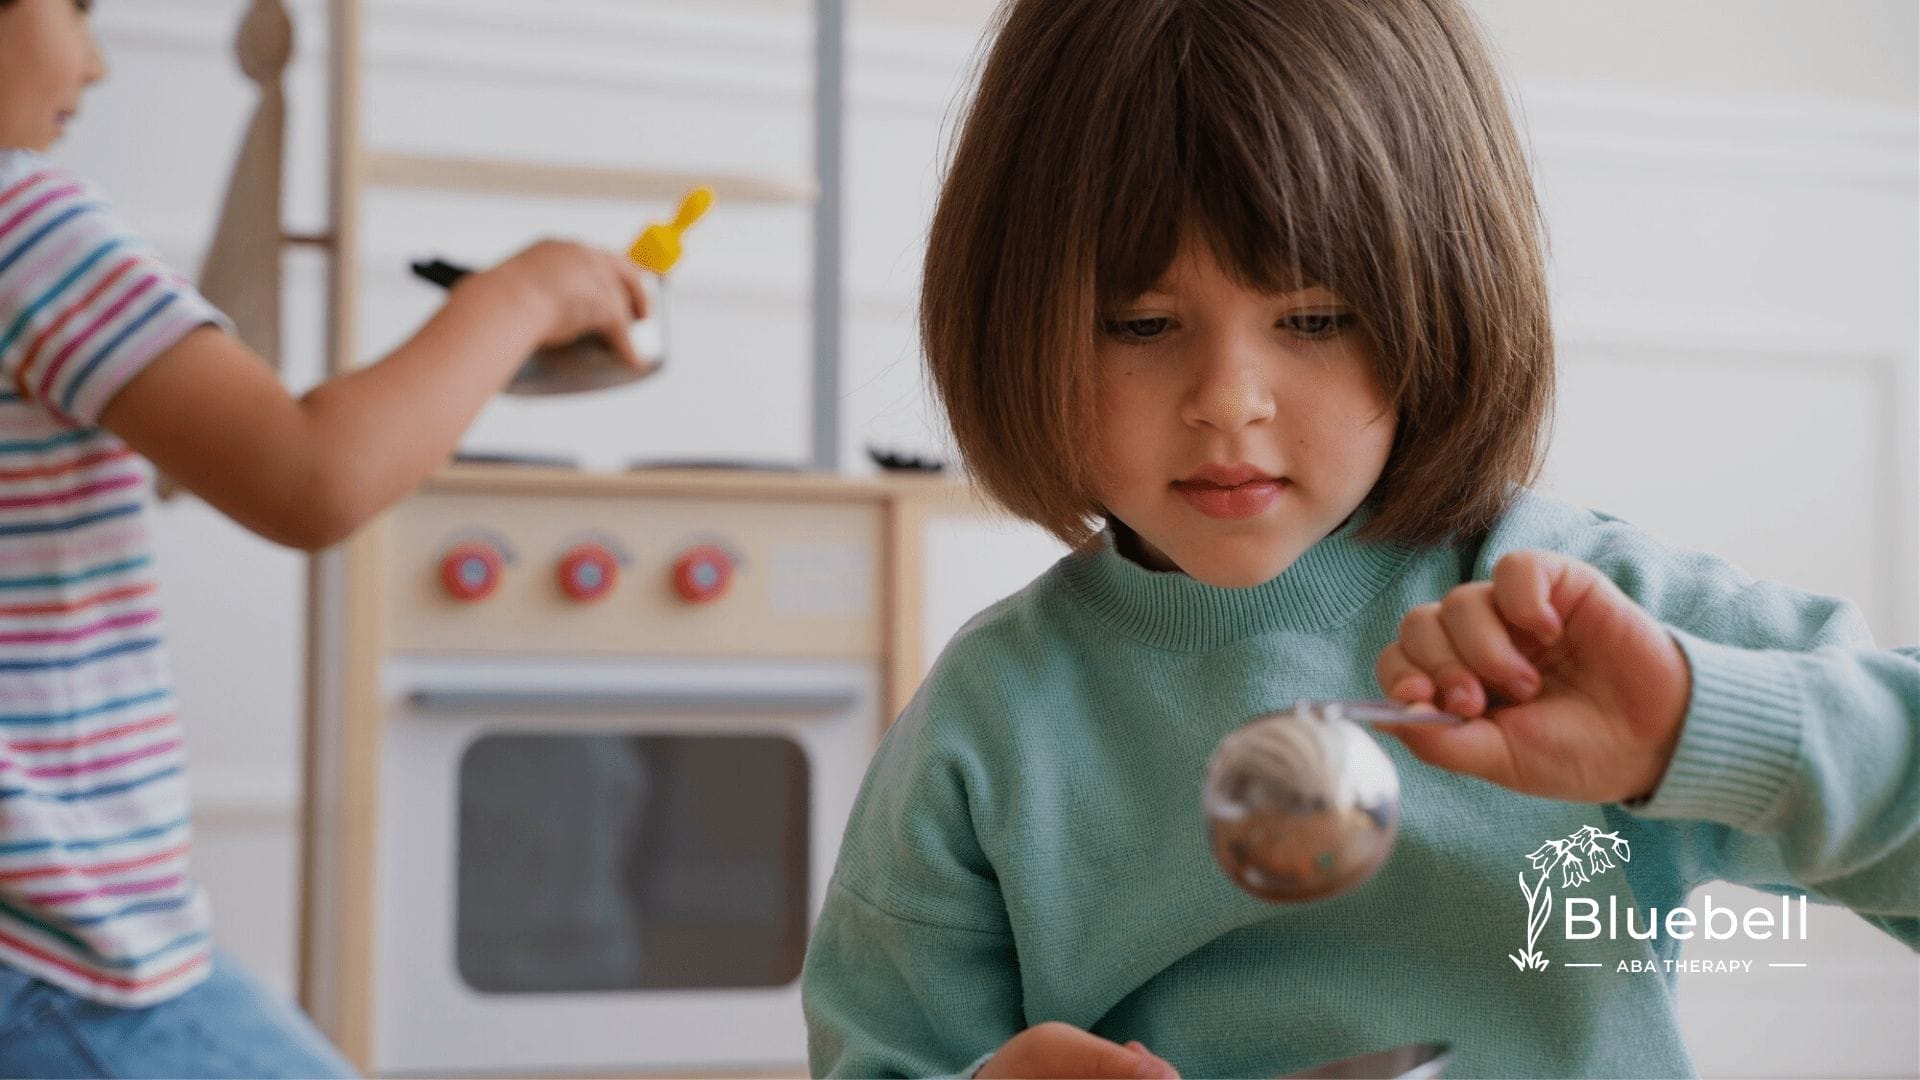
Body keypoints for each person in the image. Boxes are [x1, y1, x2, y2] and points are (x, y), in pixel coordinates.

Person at [799, 1, 1920, 1076]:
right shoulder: (990, 722)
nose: (1229, 401)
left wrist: (1697, 727)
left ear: (1444, 297)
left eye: (1314, 319)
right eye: (1141, 324)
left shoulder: (1588, 628)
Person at [0, 0, 651, 1075]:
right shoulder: (21, 218)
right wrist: (525, 294)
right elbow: (312, 477)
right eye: (73, 10)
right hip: (64, 952)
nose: (97, 63)